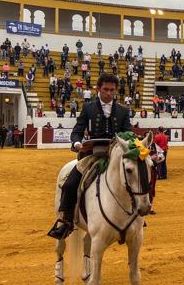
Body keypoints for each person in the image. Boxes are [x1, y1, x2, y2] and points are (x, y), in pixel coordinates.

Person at [47, 73, 132, 239]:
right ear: (98, 89)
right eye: (105, 89)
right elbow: (77, 132)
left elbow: (129, 132)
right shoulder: (88, 108)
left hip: (116, 156)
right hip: (93, 155)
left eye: (112, 90)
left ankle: (136, 215)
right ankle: (66, 221)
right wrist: (77, 143)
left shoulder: (123, 110)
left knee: (135, 178)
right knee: (70, 184)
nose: (109, 93)